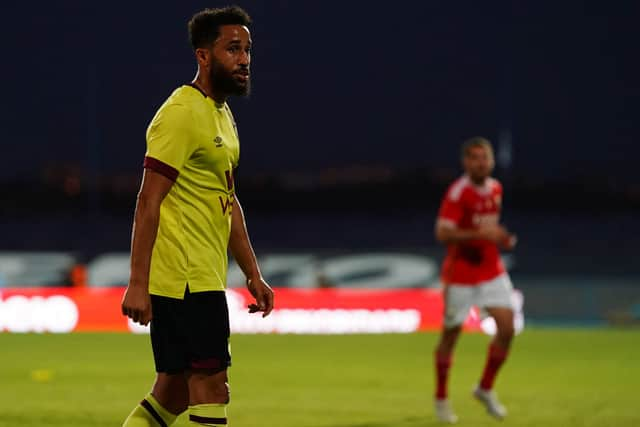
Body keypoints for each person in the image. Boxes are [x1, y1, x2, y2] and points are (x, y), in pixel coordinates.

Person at [120, 7, 274, 427]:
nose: (244, 60)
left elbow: (226, 199)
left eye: (247, 50)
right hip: (184, 279)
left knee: (171, 393)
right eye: (232, 49)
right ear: (203, 56)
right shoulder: (181, 113)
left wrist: (252, 273)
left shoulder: (221, 113)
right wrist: (137, 282)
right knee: (212, 384)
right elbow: (148, 200)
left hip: (202, 274)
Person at [433, 137, 517, 423]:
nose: (480, 163)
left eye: (485, 158)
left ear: (491, 161)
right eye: (474, 158)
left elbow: (487, 228)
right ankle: (442, 398)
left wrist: (502, 238)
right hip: (461, 274)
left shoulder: (495, 188)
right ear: (465, 162)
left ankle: (485, 388)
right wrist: (482, 236)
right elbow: (443, 234)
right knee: (451, 336)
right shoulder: (458, 194)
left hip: (491, 270)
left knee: (507, 328)